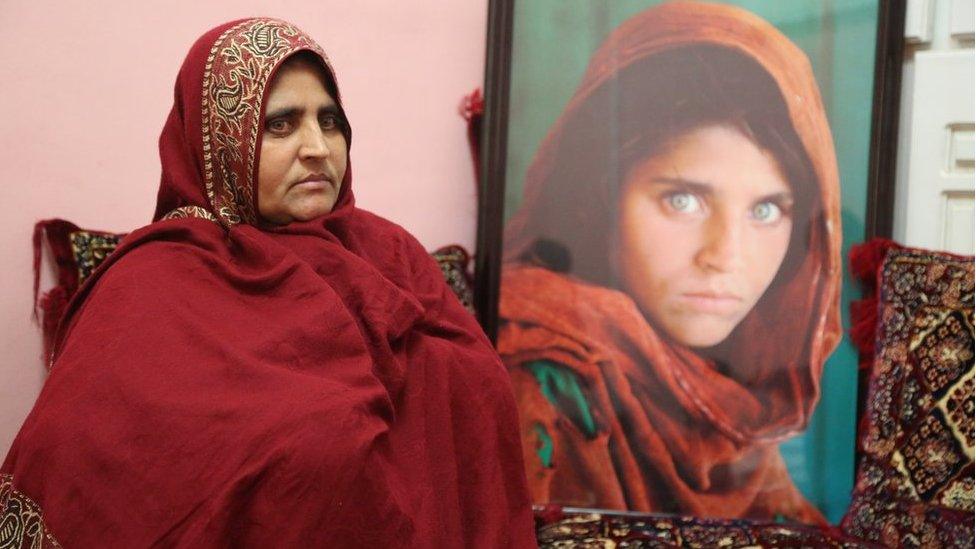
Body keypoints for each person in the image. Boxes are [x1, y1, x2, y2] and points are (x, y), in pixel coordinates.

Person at [1, 18, 535, 547]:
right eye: (280, 124)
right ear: (219, 141)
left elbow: (475, 390)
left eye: (329, 121)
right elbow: (99, 466)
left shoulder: (386, 250)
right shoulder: (153, 283)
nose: (318, 149)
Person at [499, 1, 841, 523]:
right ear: (603, 200)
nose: (726, 256)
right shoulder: (541, 378)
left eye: (767, 210)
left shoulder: (727, 399)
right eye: (682, 199)